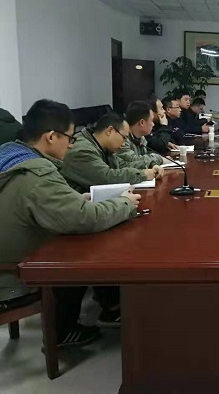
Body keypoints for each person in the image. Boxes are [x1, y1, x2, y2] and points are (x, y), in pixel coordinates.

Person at [0, 99, 141, 346]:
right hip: (11, 276)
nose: (71, 143)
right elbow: (86, 218)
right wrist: (125, 204)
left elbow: (41, 201)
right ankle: (62, 332)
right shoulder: (38, 174)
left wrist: (75, 199)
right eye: (69, 137)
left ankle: (110, 303)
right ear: (51, 137)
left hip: (9, 254)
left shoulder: (11, 154)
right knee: (82, 252)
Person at [61, 112, 163, 193]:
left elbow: (123, 165)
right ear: (109, 131)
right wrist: (142, 174)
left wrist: (150, 165)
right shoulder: (82, 150)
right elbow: (107, 178)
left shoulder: (102, 147)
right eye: (124, 138)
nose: (124, 143)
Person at [117, 101, 164, 168]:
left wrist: (154, 163)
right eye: (151, 121)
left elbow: (144, 158)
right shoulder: (122, 139)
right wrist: (159, 158)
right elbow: (134, 160)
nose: (153, 124)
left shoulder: (141, 138)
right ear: (142, 122)